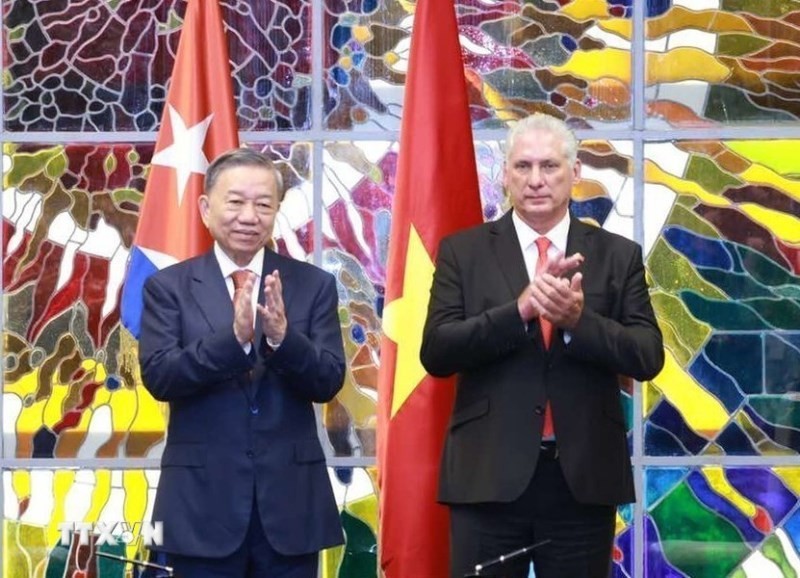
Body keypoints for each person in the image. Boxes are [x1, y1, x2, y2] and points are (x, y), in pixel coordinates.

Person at [420, 113, 664, 578]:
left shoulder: (617, 255)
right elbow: (437, 351)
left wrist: (578, 321)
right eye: (523, 167)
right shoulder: (463, 251)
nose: (536, 180)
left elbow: (647, 355)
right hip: (487, 477)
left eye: (550, 167)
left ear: (575, 174)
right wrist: (520, 311)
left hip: (582, 480)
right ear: (505, 175)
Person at [138, 148, 345, 578]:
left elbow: (327, 380)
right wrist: (232, 341)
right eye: (235, 202)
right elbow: (160, 376)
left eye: (264, 204)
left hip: (290, 511)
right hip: (200, 508)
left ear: (275, 212)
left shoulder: (312, 285)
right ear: (205, 208)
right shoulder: (168, 287)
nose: (249, 216)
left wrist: (282, 339)